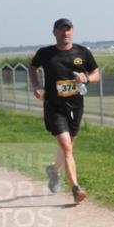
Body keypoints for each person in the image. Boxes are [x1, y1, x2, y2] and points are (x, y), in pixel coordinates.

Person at [28, 18, 100, 204]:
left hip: (76, 105)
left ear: (72, 32)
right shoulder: (45, 53)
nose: (65, 33)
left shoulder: (82, 52)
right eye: (61, 30)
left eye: (68, 30)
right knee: (66, 146)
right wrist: (36, 86)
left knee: (68, 146)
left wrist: (87, 79)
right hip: (54, 105)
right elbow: (32, 68)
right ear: (54, 33)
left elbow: (96, 74)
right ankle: (76, 189)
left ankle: (53, 170)